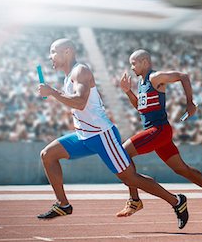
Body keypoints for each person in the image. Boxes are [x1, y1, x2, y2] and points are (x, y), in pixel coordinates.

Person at [37, 39, 189, 229]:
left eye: (53, 51)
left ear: (67, 52)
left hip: (102, 136)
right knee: (48, 155)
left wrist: (52, 92)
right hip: (84, 136)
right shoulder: (69, 76)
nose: (50, 56)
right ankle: (63, 204)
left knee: (130, 178)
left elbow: (80, 102)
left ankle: (176, 201)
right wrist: (55, 92)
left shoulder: (80, 71)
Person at [117, 49, 202, 218]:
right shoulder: (141, 83)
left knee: (123, 153)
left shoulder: (156, 77)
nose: (131, 67)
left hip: (159, 130)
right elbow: (141, 108)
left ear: (145, 62)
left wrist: (190, 103)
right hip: (156, 133)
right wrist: (128, 92)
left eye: (134, 63)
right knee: (182, 170)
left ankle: (134, 200)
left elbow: (183, 76)